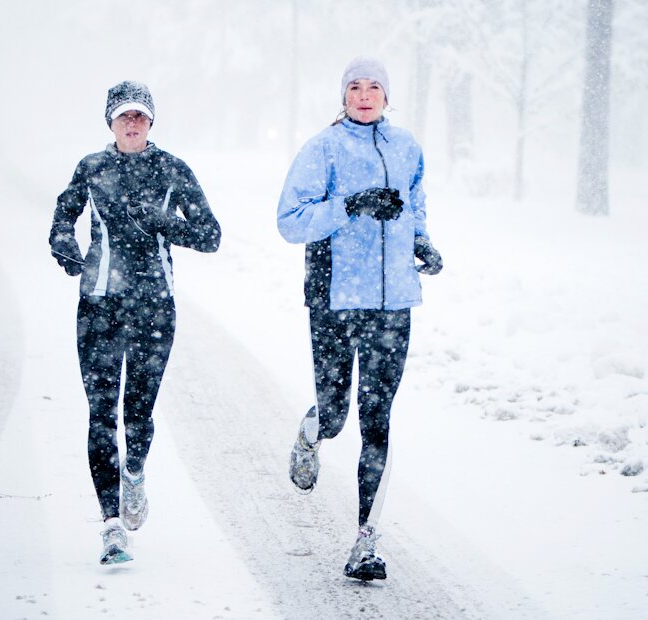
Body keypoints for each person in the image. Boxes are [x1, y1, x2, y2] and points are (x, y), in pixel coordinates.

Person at [276, 57, 443, 581]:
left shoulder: (407, 147)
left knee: (378, 420)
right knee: (336, 413)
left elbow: (414, 205)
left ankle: (365, 543)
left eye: (375, 87)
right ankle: (312, 434)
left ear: (388, 96)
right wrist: (351, 204)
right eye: (355, 87)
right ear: (342, 96)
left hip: (393, 305)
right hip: (334, 298)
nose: (365, 95)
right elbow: (289, 221)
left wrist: (422, 243)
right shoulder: (322, 149)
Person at [49, 81, 221, 565]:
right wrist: (64, 244)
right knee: (101, 414)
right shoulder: (91, 168)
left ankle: (135, 474)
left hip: (153, 308)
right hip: (99, 306)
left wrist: (165, 222)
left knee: (137, 414)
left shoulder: (172, 169)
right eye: (123, 116)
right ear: (110, 122)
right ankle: (110, 526)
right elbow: (62, 218)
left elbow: (211, 236)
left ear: (151, 123)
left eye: (140, 117)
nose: (131, 123)